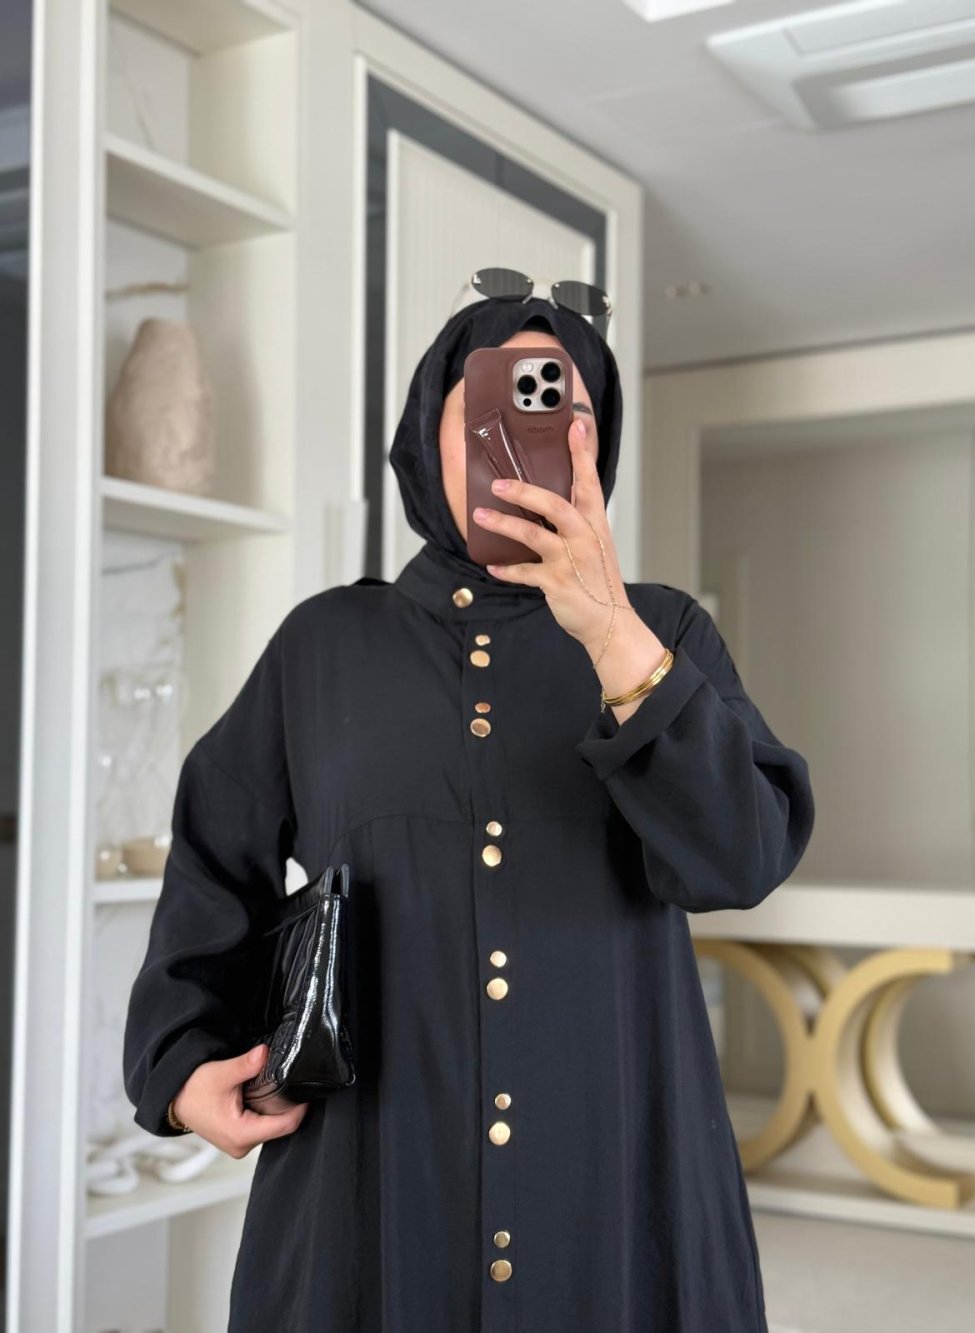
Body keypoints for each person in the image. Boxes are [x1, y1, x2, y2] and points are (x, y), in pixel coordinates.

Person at [123, 294, 815, 1333]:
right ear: (425, 436)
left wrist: (615, 639)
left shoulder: (663, 631)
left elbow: (741, 857)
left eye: (565, 411)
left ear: (597, 447)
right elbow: (214, 851)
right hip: (377, 1181)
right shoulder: (325, 644)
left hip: (615, 1176)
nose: (522, 438)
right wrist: (180, 1063)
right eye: (489, 408)